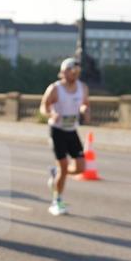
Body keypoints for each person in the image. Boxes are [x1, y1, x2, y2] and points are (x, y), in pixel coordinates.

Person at [39, 58, 90, 216]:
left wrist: (84, 109)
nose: (73, 74)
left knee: (81, 167)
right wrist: (51, 113)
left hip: (72, 130)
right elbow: (43, 106)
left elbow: (84, 103)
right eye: (70, 71)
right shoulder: (55, 88)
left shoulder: (82, 87)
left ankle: (57, 173)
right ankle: (57, 200)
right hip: (57, 131)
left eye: (76, 72)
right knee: (64, 166)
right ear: (63, 72)